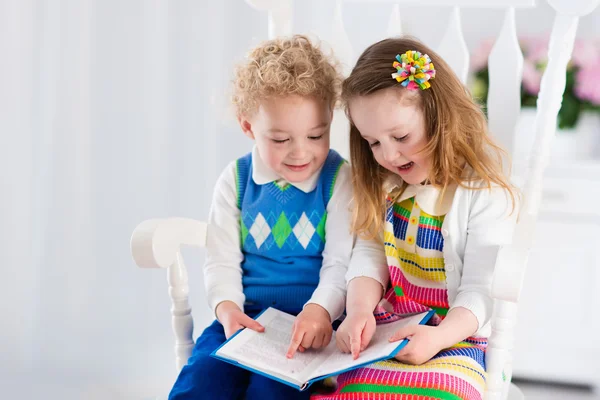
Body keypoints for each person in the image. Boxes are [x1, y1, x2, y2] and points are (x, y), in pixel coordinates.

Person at [314, 37, 519, 400]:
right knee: (359, 392)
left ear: (438, 114)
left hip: (456, 339)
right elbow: (370, 255)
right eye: (373, 142)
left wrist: (438, 337)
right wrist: (359, 310)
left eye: (401, 136)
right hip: (391, 333)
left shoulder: (481, 194)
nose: (389, 154)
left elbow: (479, 290)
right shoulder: (388, 189)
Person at [169, 35, 355, 400]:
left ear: (331, 119)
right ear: (248, 127)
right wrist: (227, 309)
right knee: (201, 381)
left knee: (271, 390)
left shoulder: (338, 179)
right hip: (248, 312)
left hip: (312, 320)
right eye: (280, 139)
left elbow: (340, 262)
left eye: (316, 135)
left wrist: (320, 310)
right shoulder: (236, 181)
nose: (301, 152)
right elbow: (221, 260)